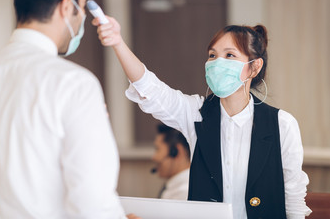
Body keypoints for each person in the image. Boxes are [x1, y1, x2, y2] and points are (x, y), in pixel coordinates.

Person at [92, 16, 312, 218]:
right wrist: (117, 43)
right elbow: (151, 90)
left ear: (254, 67)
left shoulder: (282, 124)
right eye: (212, 55)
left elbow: (293, 198)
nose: (217, 62)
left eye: (229, 55)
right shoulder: (196, 114)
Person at [0, 0, 130, 218]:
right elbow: (94, 204)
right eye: (82, 7)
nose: (82, 17)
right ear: (67, 7)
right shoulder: (74, 85)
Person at [152, 124, 191, 200]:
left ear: (176, 152)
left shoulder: (184, 192)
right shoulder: (175, 187)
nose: (154, 157)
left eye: (157, 149)